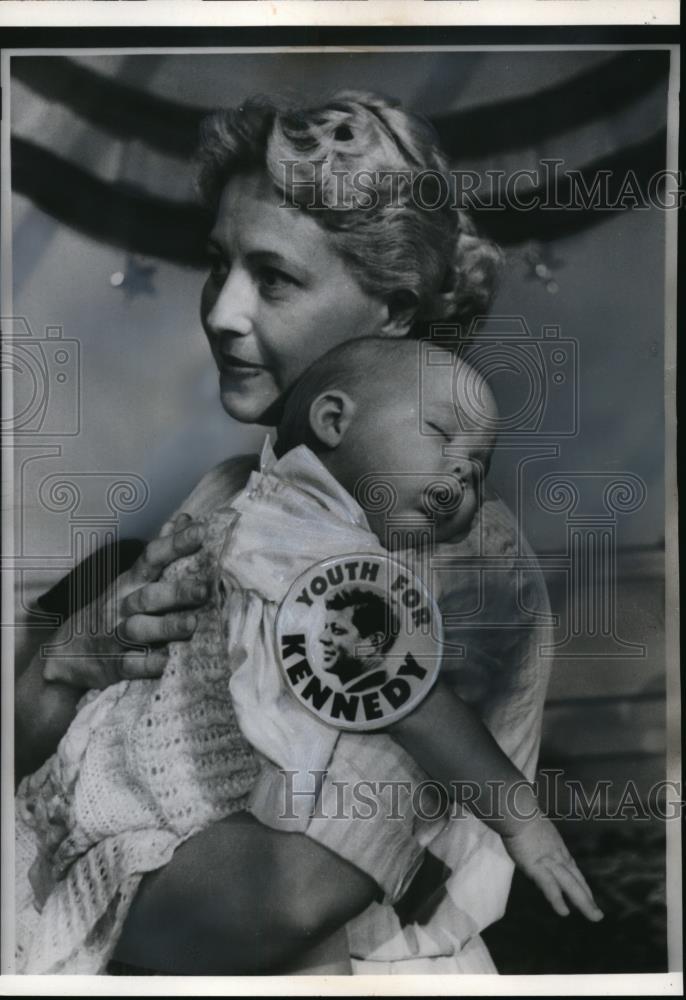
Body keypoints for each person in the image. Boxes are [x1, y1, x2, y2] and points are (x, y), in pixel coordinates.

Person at [14, 91, 554, 975]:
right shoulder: (231, 492)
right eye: (218, 264)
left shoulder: (452, 557)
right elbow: (29, 746)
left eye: (274, 277)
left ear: (394, 308)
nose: (223, 312)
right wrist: (78, 658)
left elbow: (277, 901)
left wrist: (43, 897)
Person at [15, 339, 602, 975]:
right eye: (441, 437)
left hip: (196, 834)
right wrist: (521, 820)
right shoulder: (313, 547)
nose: (463, 474)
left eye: (479, 469)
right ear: (333, 421)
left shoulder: (269, 511)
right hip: (176, 809)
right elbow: (416, 701)